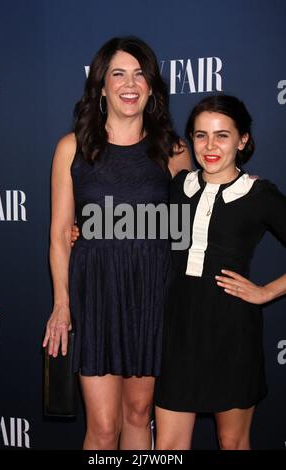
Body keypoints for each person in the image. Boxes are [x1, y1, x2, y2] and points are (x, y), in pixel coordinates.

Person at [42, 36, 191, 450]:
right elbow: (59, 233)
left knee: (139, 414)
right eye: (118, 74)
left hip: (151, 294)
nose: (130, 83)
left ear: (152, 87)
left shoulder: (173, 151)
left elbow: (192, 224)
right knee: (104, 427)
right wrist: (61, 303)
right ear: (101, 86)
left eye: (140, 74)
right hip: (95, 295)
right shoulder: (72, 148)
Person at [154, 94, 286, 450]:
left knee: (232, 441)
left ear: (243, 140)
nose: (210, 146)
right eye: (201, 135)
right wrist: (84, 230)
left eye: (222, 135)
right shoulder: (178, 188)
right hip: (178, 333)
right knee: (166, 448)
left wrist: (267, 292)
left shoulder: (259, 194)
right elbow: (135, 227)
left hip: (232, 334)